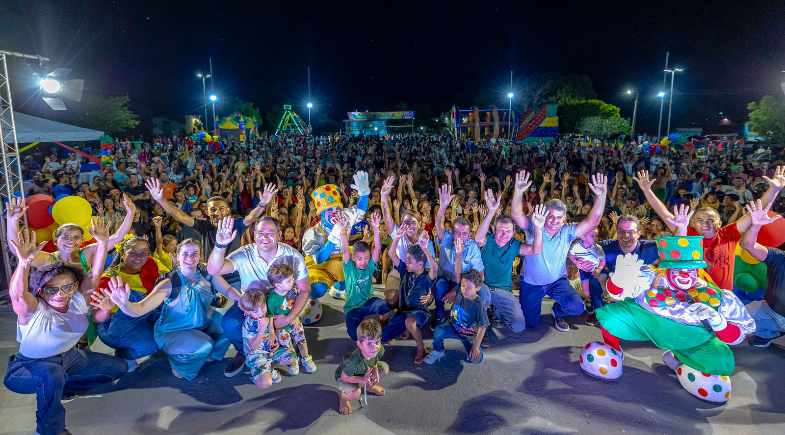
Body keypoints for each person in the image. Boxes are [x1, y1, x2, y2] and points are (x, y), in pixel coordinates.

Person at [581, 217, 756, 403]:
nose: (683, 275)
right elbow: (616, 295)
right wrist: (618, 280)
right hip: (647, 324)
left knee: (719, 367)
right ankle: (613, 349)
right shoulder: (650, 278)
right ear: (667, 268)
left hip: (690, 338)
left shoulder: (716, 297)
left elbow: (738, 335)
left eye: (690, 270)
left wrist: (719, 323)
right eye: (677, 269)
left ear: (698, 270)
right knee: (611, 316)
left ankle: (681, 360)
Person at [4, 224, 126, 435]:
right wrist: (23, 263)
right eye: (52, 289)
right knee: (50, 375)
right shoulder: (33, 309)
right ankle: (49, 430)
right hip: (28, 367)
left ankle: (64, 387)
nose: (60, 294)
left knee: (118, 368)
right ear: (41, 290)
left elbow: (95, 274)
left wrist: (103, 243)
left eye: (67, 287)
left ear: (75, 287)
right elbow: (17, 295)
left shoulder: (78, 300)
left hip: (71, 358)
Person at [98, 239, 242, 380]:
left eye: (194, 253)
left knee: (229, 325)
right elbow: (140, 309)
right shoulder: (169, 284)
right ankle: (179, 365)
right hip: (175, 330)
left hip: (202, 320)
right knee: (204, 345)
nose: (190, 258)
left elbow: (228, 289)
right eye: (185, 253)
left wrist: (242, 299)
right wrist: (124, 304)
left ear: (200, 256)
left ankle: (211, 354)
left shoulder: (207, 272)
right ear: (178, 256)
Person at [634, 166, 785, 291]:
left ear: (719, 223)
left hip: (722, 298)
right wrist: (647, 191)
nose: (705, 223)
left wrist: (773, 190)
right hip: (692, 296)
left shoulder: (729, 233)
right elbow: (663, 213)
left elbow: (755, 212)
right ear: (692, 223)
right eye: (699, 220)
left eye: (710, 220)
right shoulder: (687, 232)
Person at [207, 216, 311, 377]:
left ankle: (275, 352)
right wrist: (220, 245)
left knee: (288, 338)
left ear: (279, 235)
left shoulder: (292, 255)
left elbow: (305, 289)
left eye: (270, 233)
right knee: (229, 323)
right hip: (254, 303)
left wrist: (291, 316)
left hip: (282, 304)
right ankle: (245, 351)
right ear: (254, 234)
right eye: (260, 232)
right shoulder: (244, 253)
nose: (265, 237)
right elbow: (214, 271)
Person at [512, 171, 608, 331]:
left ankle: (558, 311)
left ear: (564, 217)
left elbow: (592, 222)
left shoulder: (567, 231)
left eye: (559, 217)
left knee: (577, 307)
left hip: (557, 281)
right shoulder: (533, 224)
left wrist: (601, 196)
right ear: (544, 214)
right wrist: (518, 191)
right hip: (532, 284)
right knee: (530, 324)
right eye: (551, 216)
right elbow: (516, 214)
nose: (555, 220)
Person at [474, 187, 546, 334]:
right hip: (483, 287)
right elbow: (477, 238)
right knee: (483, 297)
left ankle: (496, 312)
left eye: (508, 231)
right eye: (500, 230)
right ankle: (482, 328)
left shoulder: (514, 245)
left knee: (519, 326)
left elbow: (536, 250)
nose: (504, 234)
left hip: (503, 290)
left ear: (513, 233)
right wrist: (491, 211)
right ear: (494, 230)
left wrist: (538, 228)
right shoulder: (487, 240)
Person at [95, 237, 171, 371]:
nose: (139, 257)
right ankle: (123, 355)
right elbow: (96, 318)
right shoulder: (110, 279)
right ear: (122, 254)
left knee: (174, 324)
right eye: (132, 253)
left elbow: (170, 276)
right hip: (113, 325)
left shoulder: (151, 263)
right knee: (149, 346)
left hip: (143, 313)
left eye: (143, 252)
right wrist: (106, 310)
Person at [6, 194, 135, 271]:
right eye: (65, 237)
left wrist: (130, 213)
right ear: (55, 240)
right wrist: (13, 221)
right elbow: (15, 249)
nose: (71, 241)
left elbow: (118, 237)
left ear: (82, 240)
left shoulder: (86, 253)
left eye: (76, 237)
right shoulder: (48, 259)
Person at [581, 215, 661, 325]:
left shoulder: (649, 248)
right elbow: (584, 250)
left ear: (639, 233)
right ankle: (596, 310)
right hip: (613, 285)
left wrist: (680, 226)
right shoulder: (605, 246)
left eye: (631, 232)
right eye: (621, 231)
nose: (625, 235)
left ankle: (639, 315)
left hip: (637, 291)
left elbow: (675, 247)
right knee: (594, 278)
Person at [301, 171, 370, 299]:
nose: (334, 213)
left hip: (338, 260)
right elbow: (320, 258)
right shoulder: (314, 232)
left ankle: (338, 288)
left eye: (337, 209)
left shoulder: (344, 217)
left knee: (360, 256)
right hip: (319, 266)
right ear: (321, 214)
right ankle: (306, 299)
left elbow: (361, 209)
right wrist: (334, 235)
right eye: (329, 210)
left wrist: (364, 193)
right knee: (318, 289)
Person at [433, 185, 486, 327]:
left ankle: (473, 317)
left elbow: (480, 275)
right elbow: (439, 226)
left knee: (482, 291)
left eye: (464, 234)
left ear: (469, 235)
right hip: (445, 278)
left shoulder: (472, 246)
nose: (460, 237)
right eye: (457, 232)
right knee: (439, 286)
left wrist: (457, 289)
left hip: (463, 282)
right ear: (452, 231)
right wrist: (443, 206)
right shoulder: (447, 239)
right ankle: (439, 313)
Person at [379, 176, 436, 309]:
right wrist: (383, 197)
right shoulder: (399, 234)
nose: (409, 226)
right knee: (391, 301)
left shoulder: (425, 241)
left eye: (413, 222)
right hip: (399, 274)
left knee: (425, 300)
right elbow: (387, 217)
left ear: (420, 224)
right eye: (406, 222)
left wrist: (428, 289)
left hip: (418, 277)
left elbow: (429, 269)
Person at [381, 227, 437, 363]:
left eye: (409, 261)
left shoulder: (427, 277)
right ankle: (405, 329)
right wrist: (396, 238)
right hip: (402, 313)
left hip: (419, 313)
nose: (406, 263)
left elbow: (435, 268)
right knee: (383, 337)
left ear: (420, 264)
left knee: (410, 321)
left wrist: (425, 248)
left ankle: (420, 347)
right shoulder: (406, 271)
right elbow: (392, 255)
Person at [738, 200, 785, 347]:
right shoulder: (778, 257)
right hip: (773, 311)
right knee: (740, 318)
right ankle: (770, 334)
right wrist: (756, 225)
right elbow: (747, 245)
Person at [338, 212, 391, 340]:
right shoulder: (349, 267)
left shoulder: (369, 266)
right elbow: (345, 250)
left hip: (368, 301)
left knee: (385, 307)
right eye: (360, 258)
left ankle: (383, 331)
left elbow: (378, 247)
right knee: (352, 333)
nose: (364, 261)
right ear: (353, 258)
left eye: (366, 258)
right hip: (353, 308)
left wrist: (376, 228)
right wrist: (343, 230)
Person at [424, 268, 489, 365]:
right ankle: (438, 351)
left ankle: (474, 350)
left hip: (469, 336)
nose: (464, 289)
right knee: (438, 330)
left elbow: (482, 327)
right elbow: (457, 271)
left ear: (478, 288)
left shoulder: (478, 304)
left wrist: (476, 346)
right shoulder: (460, 291)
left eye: (469, 287)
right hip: (453, 328)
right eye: (462, 285)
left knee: (476, 360)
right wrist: (458, 255)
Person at [265, 264, 318, 375]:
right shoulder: (272, 299)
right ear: (278, 285)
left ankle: (306, 358)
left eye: (292, 279)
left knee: (301, 340)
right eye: (289, 280)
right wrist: (271, 332)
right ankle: (294, 361)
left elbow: (295, 306)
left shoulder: (293, 290)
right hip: (281, 328)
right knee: (287, 344)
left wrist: (296, 318)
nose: (293, 282)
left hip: (294, 322)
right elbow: (269, 316)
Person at [240, 288, 296, 389]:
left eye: (262, 307)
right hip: (256, 356)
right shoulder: (248, 324)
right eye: (255, 311)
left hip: (269, 351)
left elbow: (271, 334)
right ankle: (259, 374)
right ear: (247, 311)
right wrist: (262, 329)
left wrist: (276, 344)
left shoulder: (266, 315)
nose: (261, 312)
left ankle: (268, 369)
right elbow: (253, 347)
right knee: (265, 384)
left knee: (291, 357)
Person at [336, 319, 388, 415]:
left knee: (384, 369)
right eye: (369, 343)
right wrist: (362, 379)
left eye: (377, 342)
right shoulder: (352, 362)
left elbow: (374, 361)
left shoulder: (379, 350)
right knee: (354, 394)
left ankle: (369, 387)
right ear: (359, 344)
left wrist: (374, 370)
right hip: (346, 376)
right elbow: (344, 377)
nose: (374, 347)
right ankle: (343, 397)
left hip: (363, 371)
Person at [568, 228, 606, 312]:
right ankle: (588, 300)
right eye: (592, 236)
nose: (595, 238)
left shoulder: (598, 248)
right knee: (585, 288)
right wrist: (576, 262)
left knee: (600, 284)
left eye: (596, 236)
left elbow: (603, 260)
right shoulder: (576, 247)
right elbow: (571, 255)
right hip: (584, 271)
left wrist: (599, 269)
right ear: (583, 237)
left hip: (595, 270)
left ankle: (603, 300)